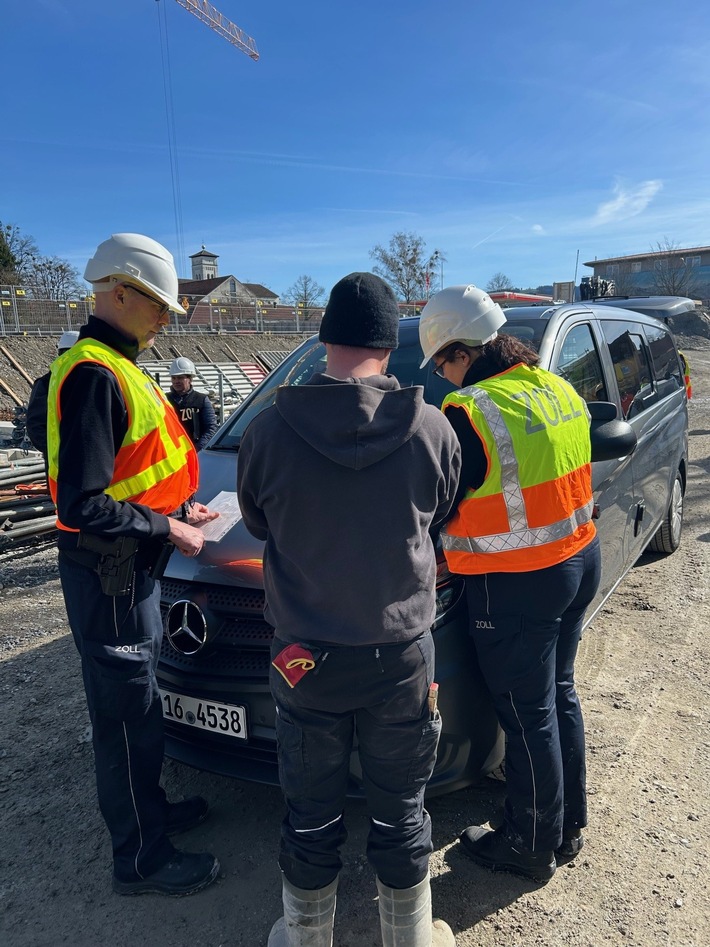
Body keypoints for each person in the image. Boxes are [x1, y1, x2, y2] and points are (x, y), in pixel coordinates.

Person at [237, 272, 461, 946]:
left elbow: (257, 522)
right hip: (400, 654)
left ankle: (306, 937)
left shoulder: (269, 432)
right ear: (390, 345)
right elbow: (440, 515)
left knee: (309, 810)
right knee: (401, 809)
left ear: (324, 337)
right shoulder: (433, 429)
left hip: (304, 656)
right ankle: (412, 938)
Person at [46, 233, 221, 897]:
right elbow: (83, 502)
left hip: (131, 567)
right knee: (125, 716)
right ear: (118, 291)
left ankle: (152, 813)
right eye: (156, 305)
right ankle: (140, 857)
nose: (164, 319)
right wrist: (167, 524)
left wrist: (180, 508)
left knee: (142, 705)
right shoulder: (95, 373)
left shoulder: (120, 364)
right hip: (109, 573)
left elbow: (131, 475)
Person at [419, 284, 601, 883]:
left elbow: (436, 505)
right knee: (557, 696)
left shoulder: (468, 412)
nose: (445, 379)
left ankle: (527, 842)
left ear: (464, 352)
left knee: (527, 715)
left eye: (444, 363)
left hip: (517, 580)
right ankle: (565, 825)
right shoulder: (557, 388)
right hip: (578, 559)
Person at [26, 329, 80, 458]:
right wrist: (60, 452)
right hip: (62, 461)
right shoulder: (47, 383)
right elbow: (36, 426)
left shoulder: (47, 382)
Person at [166, 357, 218, 451]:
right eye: (173, 378)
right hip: (171, 453)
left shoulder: (201, 400)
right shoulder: (164, 400)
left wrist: (195, 450)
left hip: (195, 451)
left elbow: (211, 428)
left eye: (180, 377)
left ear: (190, 379)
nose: (176, 381)